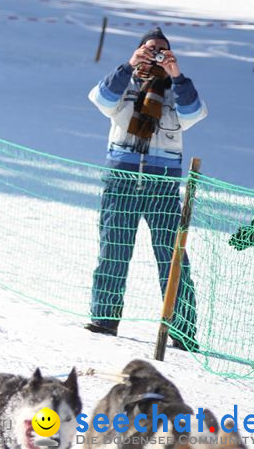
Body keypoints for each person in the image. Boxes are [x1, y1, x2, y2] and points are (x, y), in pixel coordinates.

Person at [85, 27, 207, 351]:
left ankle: (182, 330)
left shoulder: (175, 91)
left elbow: (194, 113)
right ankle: (104, 319)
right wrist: (129, 65)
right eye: (150, 49)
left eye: (162, 50)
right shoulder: (125, 83)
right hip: (122, 179)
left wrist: (176, 74)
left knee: (172, 256)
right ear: (139, 50)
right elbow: (100, 99)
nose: (156, 54)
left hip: (162, 185)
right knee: (114, 248)